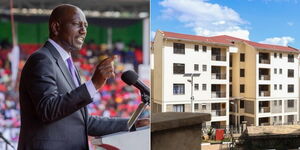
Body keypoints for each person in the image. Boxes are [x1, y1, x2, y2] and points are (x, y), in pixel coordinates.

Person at [18, 4, 146, 150]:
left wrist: (132, 123)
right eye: (76, 24)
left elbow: (84, 121)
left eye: (85, 25)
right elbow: (48, 109)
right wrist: (93, 85)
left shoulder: (68, 64)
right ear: (56, 27)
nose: (83, 30)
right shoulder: (42, 60)